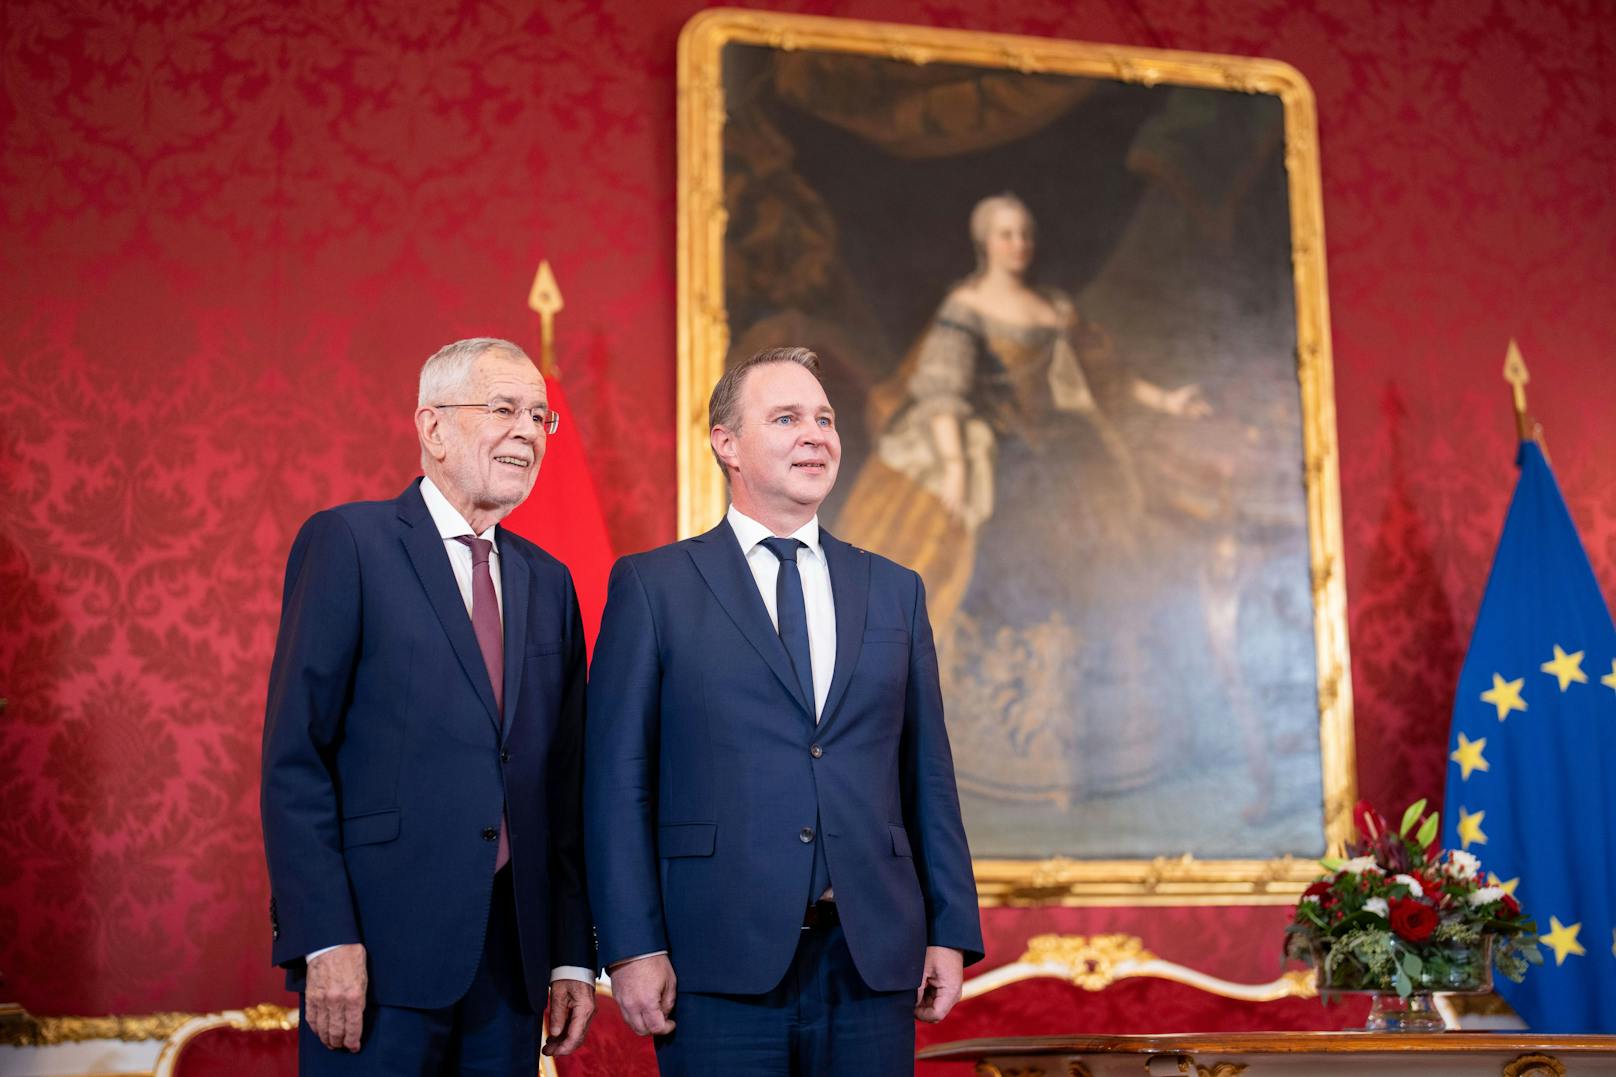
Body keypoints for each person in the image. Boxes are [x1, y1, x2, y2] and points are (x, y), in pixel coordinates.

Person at [585, 346, 983, 1076]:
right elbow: (616, 783)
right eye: (787, 417)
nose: (816, 434)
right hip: (715, 964)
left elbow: (929, 774)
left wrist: (950, 928)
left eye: (825, 418)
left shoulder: (895, 589)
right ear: (726, 443)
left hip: (872, 962)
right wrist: (632, 946)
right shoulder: (654, 587)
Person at [261, 337, 595, 1075]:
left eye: (540, 417)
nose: (528, 431)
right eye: (504, 408)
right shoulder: (349, 543)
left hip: (511, 967)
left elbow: (566, 787)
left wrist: (573, 954)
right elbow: (295, 761)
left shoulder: (550, 581)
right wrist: (325, 936)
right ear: (433, 427)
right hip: (375, 960)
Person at [834, 193, 1210, 809]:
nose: (1019, 244)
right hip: (1001, 463)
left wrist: (1167, 402)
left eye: (1025, 233)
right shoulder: (966, 307)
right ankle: (993, 734)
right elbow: (943, 393)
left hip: (1064, 459)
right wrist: (955, 468)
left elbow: (1103, 375)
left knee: (1094, 568)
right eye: (1007, 234)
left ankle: (1092, 731)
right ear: (985, 240)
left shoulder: (1053, 308)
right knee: (991, 572)